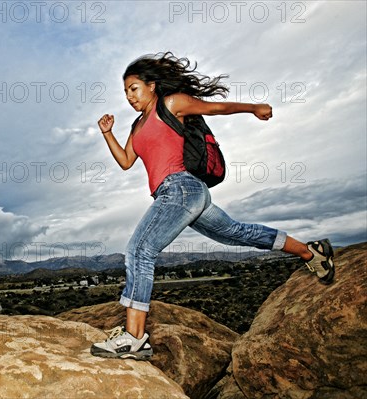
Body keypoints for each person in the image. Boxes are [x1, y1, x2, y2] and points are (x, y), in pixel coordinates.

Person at [90, 52, 335, 361]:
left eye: (134, 88)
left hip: (181, 188)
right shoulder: (137, 126)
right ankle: (311, 252)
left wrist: (254, 108)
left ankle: (134, 338)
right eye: (125, 91)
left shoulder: (171, 104)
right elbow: (126, 162)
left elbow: (216, 107)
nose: (129, 97)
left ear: (152, 85)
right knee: (237, 233)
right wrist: (107, 133)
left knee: (140, 250)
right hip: (185, 196)